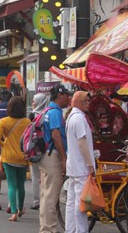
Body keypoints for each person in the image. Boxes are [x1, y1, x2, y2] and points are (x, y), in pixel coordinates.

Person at [39, 83, 70, 233]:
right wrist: (64, 159)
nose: (68, 98)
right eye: (67, 95)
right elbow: (56, 135)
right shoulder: (56, 112)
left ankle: (45, 227)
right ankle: (49, 229)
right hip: (53, 155)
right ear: (60, 96)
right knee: (51, 195)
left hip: (46, 154)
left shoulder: (47, 110)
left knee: (45, 193)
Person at [0, 96, 31, 221]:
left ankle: (14, 212)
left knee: (11, 184)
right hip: (22, 156)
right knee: (21, 184)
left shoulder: (4, 121)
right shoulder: (27, 122)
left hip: (8, 157)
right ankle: (21, 209)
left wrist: (6, 145)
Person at [65, 91, 94, 233]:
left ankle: (70, 230)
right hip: (81, 167)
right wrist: (90, 164)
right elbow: (82, 143)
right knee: (80, 203)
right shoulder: (79, 119)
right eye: (85, 101)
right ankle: (81, 230)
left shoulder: (72, 117)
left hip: (73, 166)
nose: (88, 104)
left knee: (71, 202)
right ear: (79, 102)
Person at [29, 93, 49, 210]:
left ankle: (36, 200)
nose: (32, 103)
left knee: (35, 175)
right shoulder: (48, 114)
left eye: (33, 101)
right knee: (45, 175)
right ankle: (45, 198)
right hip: (46, 149)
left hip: (34, 149)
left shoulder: (32, 115)